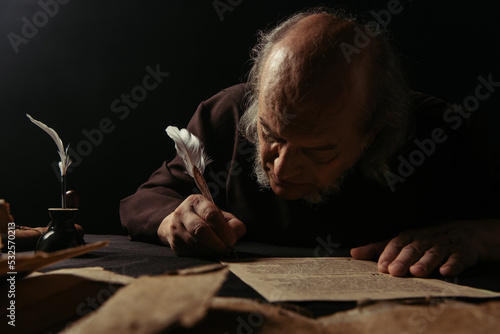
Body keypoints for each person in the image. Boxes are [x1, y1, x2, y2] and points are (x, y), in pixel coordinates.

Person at [120, 9, 500, 278]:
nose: (281, 169)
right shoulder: (230, 113)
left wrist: (477, 238)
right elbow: (144, 200)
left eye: (319, 150)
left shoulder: (445, 134)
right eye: (270, 134)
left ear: (374, 135)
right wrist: (173, 220)